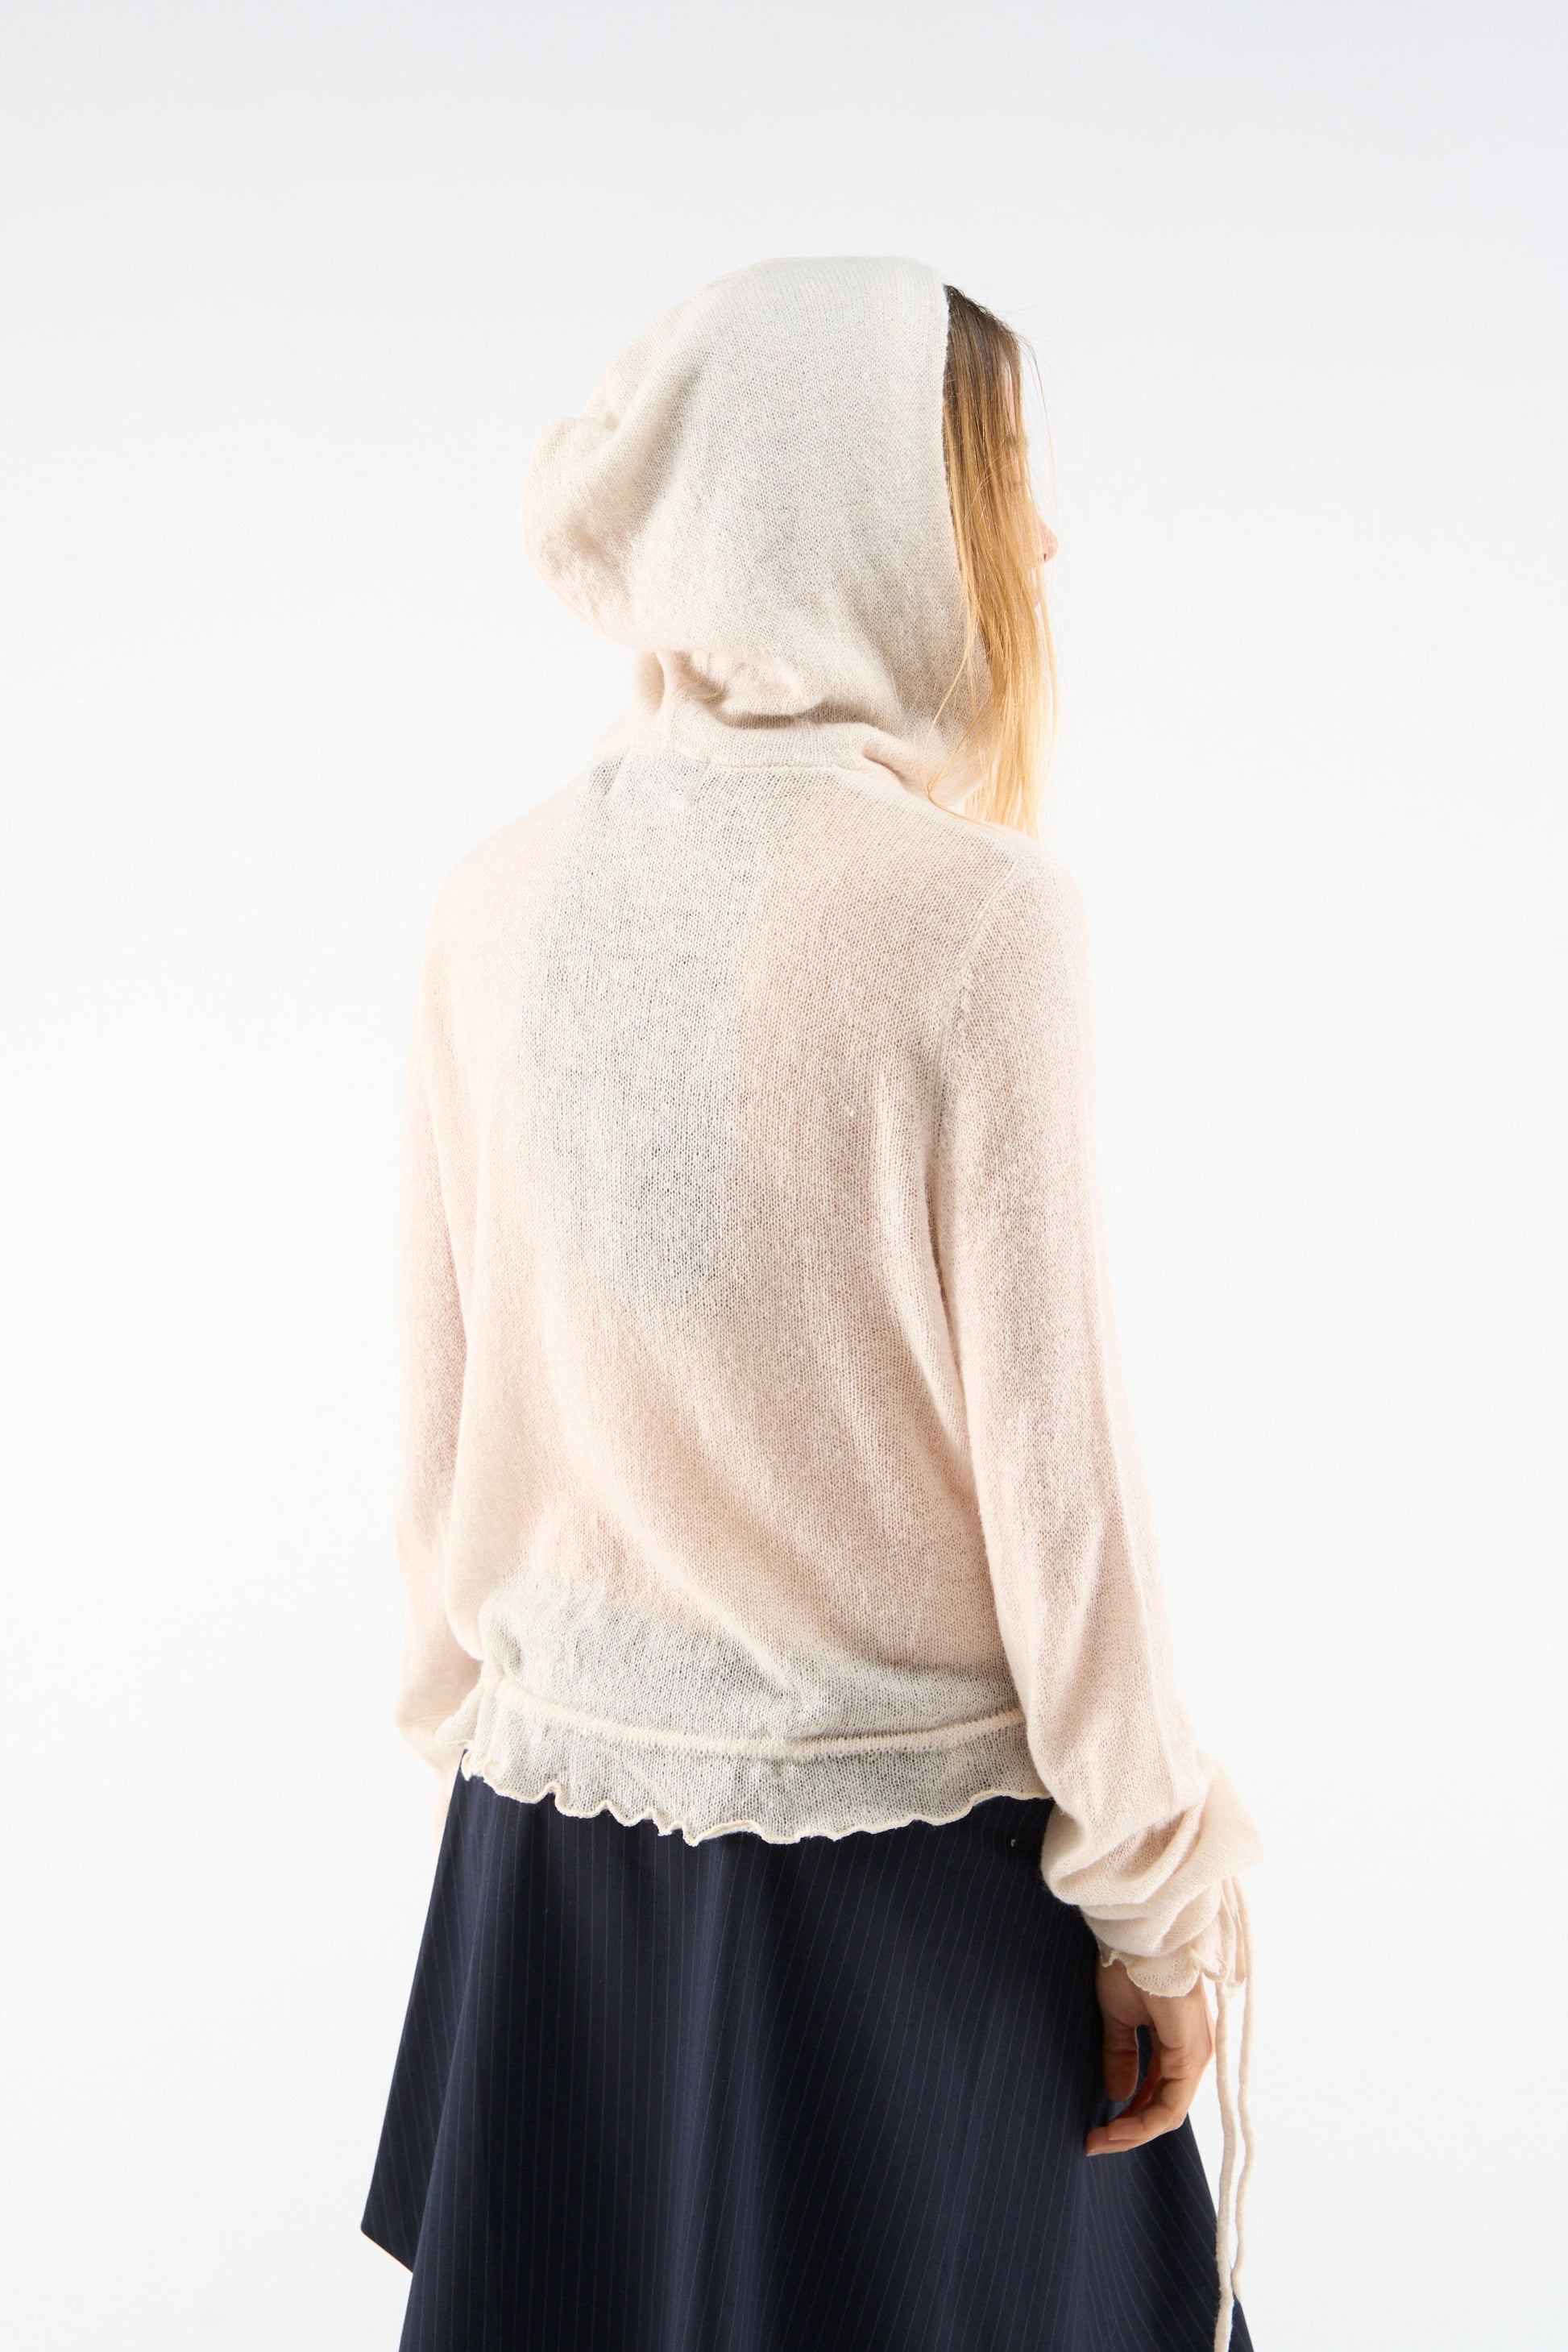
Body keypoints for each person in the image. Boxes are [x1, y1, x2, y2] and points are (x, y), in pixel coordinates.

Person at [361, 255, 1262, 2352]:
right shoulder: (979, 922)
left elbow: (435, 1430)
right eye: (1000, 480)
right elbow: (1062, 1499)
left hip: (549, 1859)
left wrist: (506, 1749)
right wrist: (1155, 1900)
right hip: (904, 1894)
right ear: (860, 504)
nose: (1043, 543)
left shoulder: (492, 898)